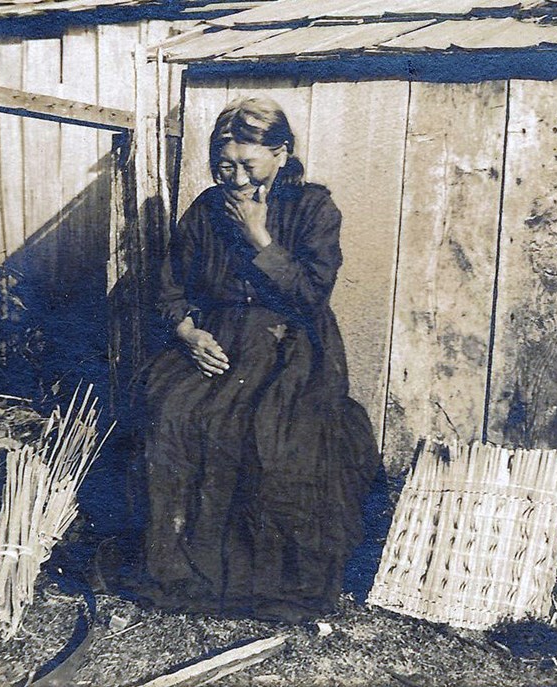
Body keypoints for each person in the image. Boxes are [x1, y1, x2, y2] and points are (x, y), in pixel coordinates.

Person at [143, 95, 381, 623]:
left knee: (273, 435)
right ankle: (186, 571)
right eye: (223, 165)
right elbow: (171, 285)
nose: (233, 177)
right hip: (219, 340)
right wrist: (187, 332)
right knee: (174, 416)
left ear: (281, 153)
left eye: (246, 164)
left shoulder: (315, 206)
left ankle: (267, 581)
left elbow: (311, 295)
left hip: (291, 344)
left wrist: (259, 237)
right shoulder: (206, 209)